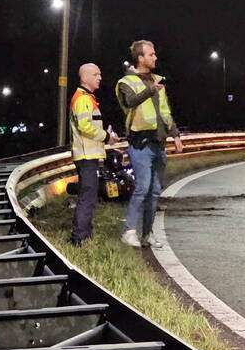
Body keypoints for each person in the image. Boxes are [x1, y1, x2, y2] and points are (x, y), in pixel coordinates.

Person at [116, 40, 183, 248]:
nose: (155, 57)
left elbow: (164, 111)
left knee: (154, 191)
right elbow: (129, 102)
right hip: (140, 143)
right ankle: (129, 231)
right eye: (151, 54)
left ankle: (148, 233)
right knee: (142, 188)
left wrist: (175, 135)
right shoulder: (126, 82)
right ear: (140, 58)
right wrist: (151, 90)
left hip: (158, 142)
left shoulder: (157, 81)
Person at [68, 63, 118, 246]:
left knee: (88, 196)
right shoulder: (82, 99)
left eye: (100, 74)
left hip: (89, 155)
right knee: (87, 197)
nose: (100, 78)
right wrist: (106, 137)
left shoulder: (86, 98)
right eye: (96, 74)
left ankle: (84, 235)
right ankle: (80, 238)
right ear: (84, 78)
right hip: (86, 156)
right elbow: (84, 127)